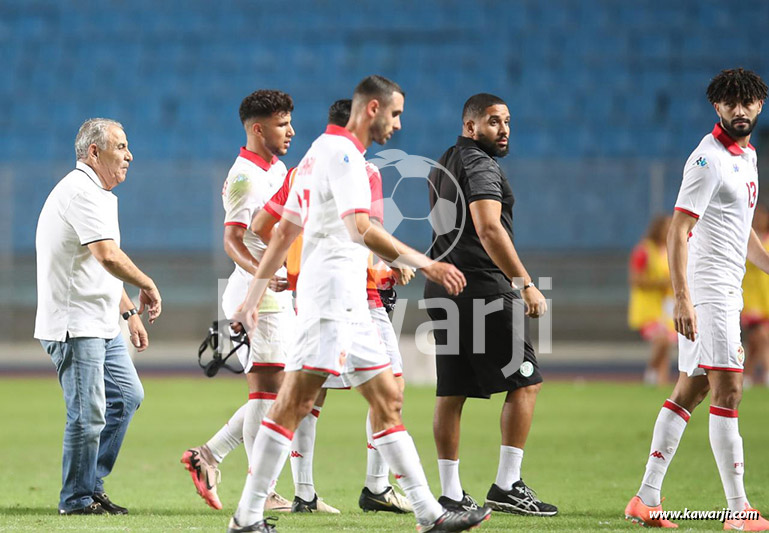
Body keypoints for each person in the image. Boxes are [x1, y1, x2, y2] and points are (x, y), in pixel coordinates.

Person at [228, 75, 491, 533]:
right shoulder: (347, 156)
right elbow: (361, 229)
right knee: (291, 404)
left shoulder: (314, 154)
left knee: (387, 399)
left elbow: (282, 231)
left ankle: (430, 516)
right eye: (395, 114)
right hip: (329, 301)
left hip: (348, 303)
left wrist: (251, 299)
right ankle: (246, 517)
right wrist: (427, 264)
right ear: (372, 109)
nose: (398, 124)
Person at [625, 68, 769, 530]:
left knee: (693, 389)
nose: (740, 110)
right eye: (731, 102)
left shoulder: (747, 158)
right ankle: (738, 509)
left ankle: (645, 499)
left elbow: (741, 227)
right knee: (730, 389)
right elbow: (678, 230)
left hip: (724, 288)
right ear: (717, 107)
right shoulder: (706, 161)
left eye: (748, 102)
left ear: (759, 107)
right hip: (709, 292)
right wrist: (683, 299)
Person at [253, 98, 414, 514]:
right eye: (387, 119)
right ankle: (380, 489)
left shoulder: (301, 170)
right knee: (386, 390)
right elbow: (365, 229)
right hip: (355, 297)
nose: (389, 128)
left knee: (308, 396)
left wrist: (283, 269)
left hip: (309, 295)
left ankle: (297, 495)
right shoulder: (363, 169)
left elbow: (264, 226)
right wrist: (396, 261)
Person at [180, 90, 336, 513]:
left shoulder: (276, 168)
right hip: (260, 296)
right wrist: (265, 277)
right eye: (283, 123)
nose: (292, 131)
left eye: (289, 121)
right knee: (268, 394)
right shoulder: (246, 176)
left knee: (278, 393)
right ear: (257, 128)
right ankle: (261, 491)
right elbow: (232, 240)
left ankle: (209, 455)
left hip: (272, 292)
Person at [423, 93, 557, 516]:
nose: (504, 130)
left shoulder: (444, 161)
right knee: (526, 382)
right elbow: (489, 228)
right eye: (494, 122)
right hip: (482, 288)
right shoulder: (481, 164)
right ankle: (507, 485)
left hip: (444, 285)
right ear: (471, 126)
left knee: (452, 391)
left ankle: (449, 493)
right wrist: (526, 284)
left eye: (507, 121)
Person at [34, 118, 162, 515]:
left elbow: (95, 264)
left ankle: (89, 485)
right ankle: (76, 499)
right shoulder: (81, 192)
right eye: (121, 147)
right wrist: (148, 283)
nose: (129, 155)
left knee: (126, 397)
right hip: (75, 324)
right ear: (94, 152)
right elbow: (107, 255)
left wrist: (127, 311)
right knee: (88, 415)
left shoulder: (95, 192)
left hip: (99, 319)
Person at [628, 215, 676, 386]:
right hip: (648, 308)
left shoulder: (671, 249)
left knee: (666, 345)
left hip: (667, 307)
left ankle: (661, 383)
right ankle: (651, 373)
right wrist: (660, 283)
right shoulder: (644, 250)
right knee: (661, 340)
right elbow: (635, 279)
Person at [741, 204, 769, 387]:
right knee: (761, 337)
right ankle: (767, 372)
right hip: (751, 299)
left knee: (755, 343)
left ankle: (746, 375)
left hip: (765, 298)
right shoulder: (744, 239)